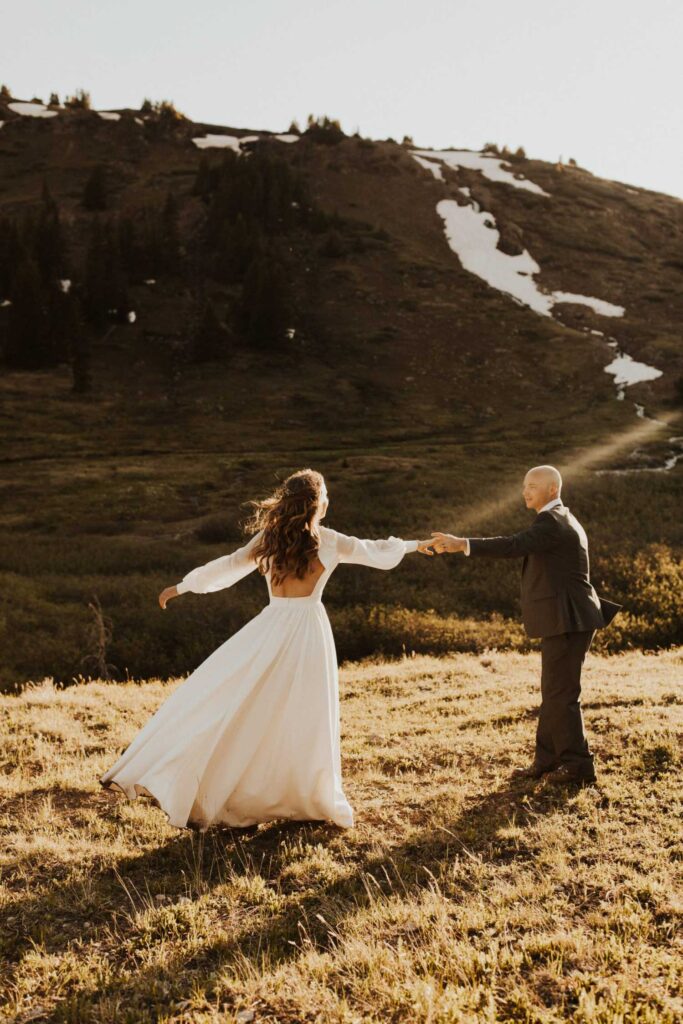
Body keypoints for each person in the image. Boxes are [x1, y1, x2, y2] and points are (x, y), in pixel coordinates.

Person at [100, 469, 433, 831]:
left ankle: (249, 796)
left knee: (253, 709)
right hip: (308, 631)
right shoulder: (331, 541)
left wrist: (184, 586)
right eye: (326, 496)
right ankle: (301, 797)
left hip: (272, 627)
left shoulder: (269, 539)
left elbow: (227, 566)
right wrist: (418, 545)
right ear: (318, 503)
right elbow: (377, 551)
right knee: (305, 716)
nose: (328, 501)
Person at [430, 465, 621, 786]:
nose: (525, 491)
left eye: (532, 486)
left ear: (551, 490)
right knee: (554, 693)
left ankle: (578, 767)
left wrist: (462, 543)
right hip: (568, 619)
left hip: (569, 620)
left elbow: (513, 545)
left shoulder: (552, 522)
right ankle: (547, 760)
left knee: (562, 695)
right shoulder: (560, 518)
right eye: (524, 486)